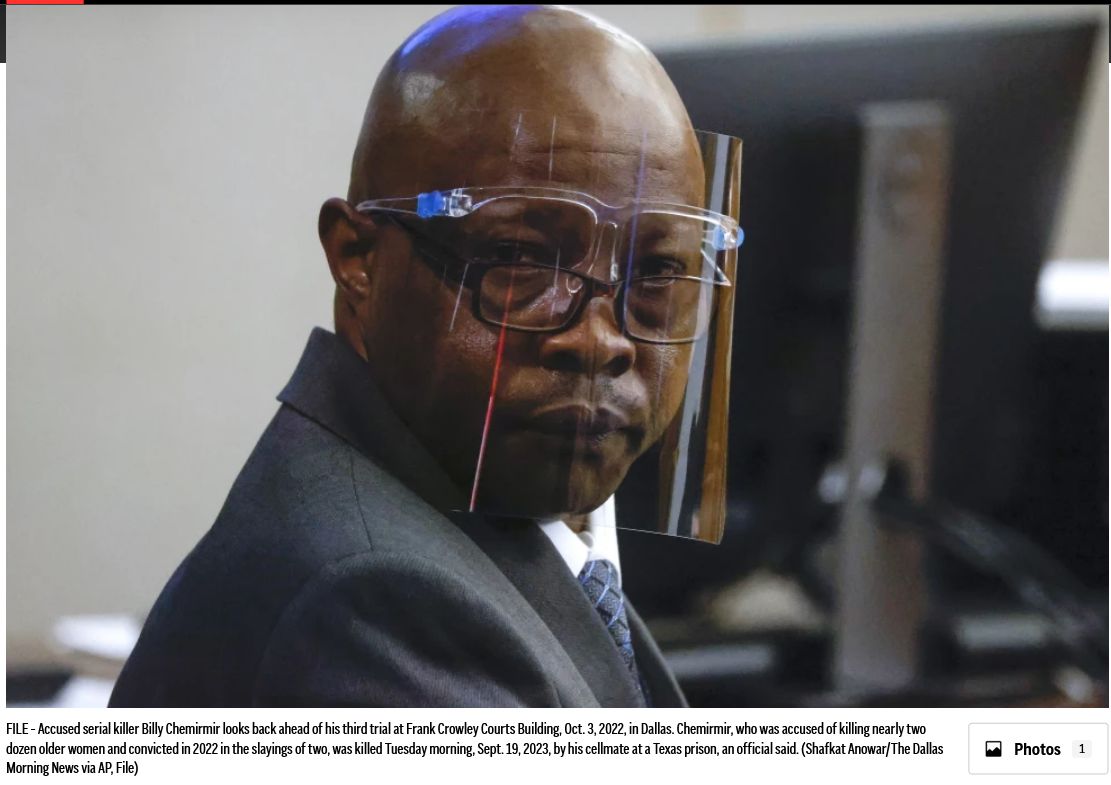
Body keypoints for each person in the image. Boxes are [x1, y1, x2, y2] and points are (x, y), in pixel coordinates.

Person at [110, 5, 741, 708]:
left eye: (658, 272)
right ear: (359, 259)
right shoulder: (369, 599)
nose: (599, 339)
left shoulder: (489, 516)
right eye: (519, 258)